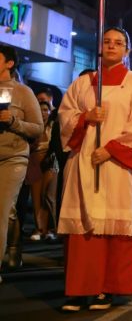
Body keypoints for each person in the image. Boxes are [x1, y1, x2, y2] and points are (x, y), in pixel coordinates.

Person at [57, 27, 132, 312]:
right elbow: (64, 117)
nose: (112, 46)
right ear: (101, 47)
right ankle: (79, 289)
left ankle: (108, 288)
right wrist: (86, 117)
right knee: (84, 225)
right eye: (107, 42)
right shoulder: (83, 83)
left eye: (118, 43)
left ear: (127, 50)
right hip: (84, 162)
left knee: (114, 224)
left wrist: (110, 150)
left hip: (119, 167)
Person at [0, 44, 43, 283]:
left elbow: (37, 128)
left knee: (1, 211)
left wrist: (13, 121)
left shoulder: (23, 92)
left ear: (9, 63)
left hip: (13, 158)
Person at [28, 99, 59, 242]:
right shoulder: (34, 127)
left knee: (48, 196)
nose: (43, 113)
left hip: (50, 163)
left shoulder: (53, 125)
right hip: (34, 163)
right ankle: (39, 229)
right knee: (36, 198)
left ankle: (51, 229)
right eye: (40, 110)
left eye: (45, 110)